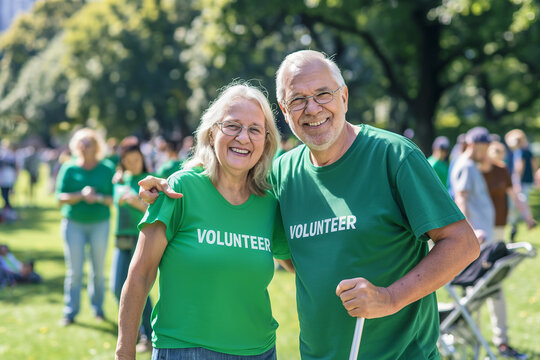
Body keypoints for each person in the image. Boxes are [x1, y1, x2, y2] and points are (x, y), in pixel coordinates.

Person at [138, 50, 480, 359]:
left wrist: (389, 297)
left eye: (322, 94)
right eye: (297, 100)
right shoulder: (282, 173)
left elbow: (462, 243)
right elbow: (231, 188)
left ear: (343, 96)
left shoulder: (394, 155)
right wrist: (170, 186)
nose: (312, 108)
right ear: (285, 112)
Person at [115, 83, 293, 360]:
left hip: (259, 352)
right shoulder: (179, 189)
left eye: (255, 129)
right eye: (232, 126)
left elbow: (300, 266)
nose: (243, 137)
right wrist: (124, 352)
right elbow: (139, 276)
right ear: (212, 133)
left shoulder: (270, 203)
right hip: (185, 350)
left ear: (267, 142)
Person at [451, 127, 528, 359]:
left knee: (490, 289)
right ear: (473, 145)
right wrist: (471, 232)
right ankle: (472, 340)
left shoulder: (472, 165)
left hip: (487, 237)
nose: (486, 153)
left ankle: (488, 342)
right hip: (479, 240)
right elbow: (461, 199)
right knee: (485, 290)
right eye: (483, 148)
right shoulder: (464, 165)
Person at [55, 128, 114, 326]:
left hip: (99, 223)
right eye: (80, 143)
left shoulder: (106, 168)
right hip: (74, 224)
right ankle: (70, 311)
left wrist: (96, 197)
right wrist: (81, 195)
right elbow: (60, 198)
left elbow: (114, 198)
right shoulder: (69, 168)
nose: (84, 147)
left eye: (88, 143)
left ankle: (98, 309)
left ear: (96, 146)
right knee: (75, 271)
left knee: (97, 270)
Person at [110, 141, 153, 353]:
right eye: (127, 161)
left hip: (141, 239)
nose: (133, 164)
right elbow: (118, 199)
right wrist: (120, 183)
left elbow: (153, 209)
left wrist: (138, 202)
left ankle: (148, 335)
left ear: (142, 158)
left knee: (141, 288)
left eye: (136, 160)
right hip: (122, 239)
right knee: (117, 287)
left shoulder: (149, 181)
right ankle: (132, 329)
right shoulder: (120, 179)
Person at [479, 141, 535, 242]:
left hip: (499, 218)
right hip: (481, 220)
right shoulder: (478, 170)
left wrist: (527, 216)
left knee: (496, 250)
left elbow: (514, 195)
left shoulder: (502, 170)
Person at [505, 129, 538, 242]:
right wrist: (533, 177)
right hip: (528, 181)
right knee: (521, 203)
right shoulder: (528, 151)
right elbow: (534, 165)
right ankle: (521, 224)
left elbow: (520, 167)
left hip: (521, 182)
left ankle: (520, 224)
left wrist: (516, 181)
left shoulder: (520, 152)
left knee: (518, 204)